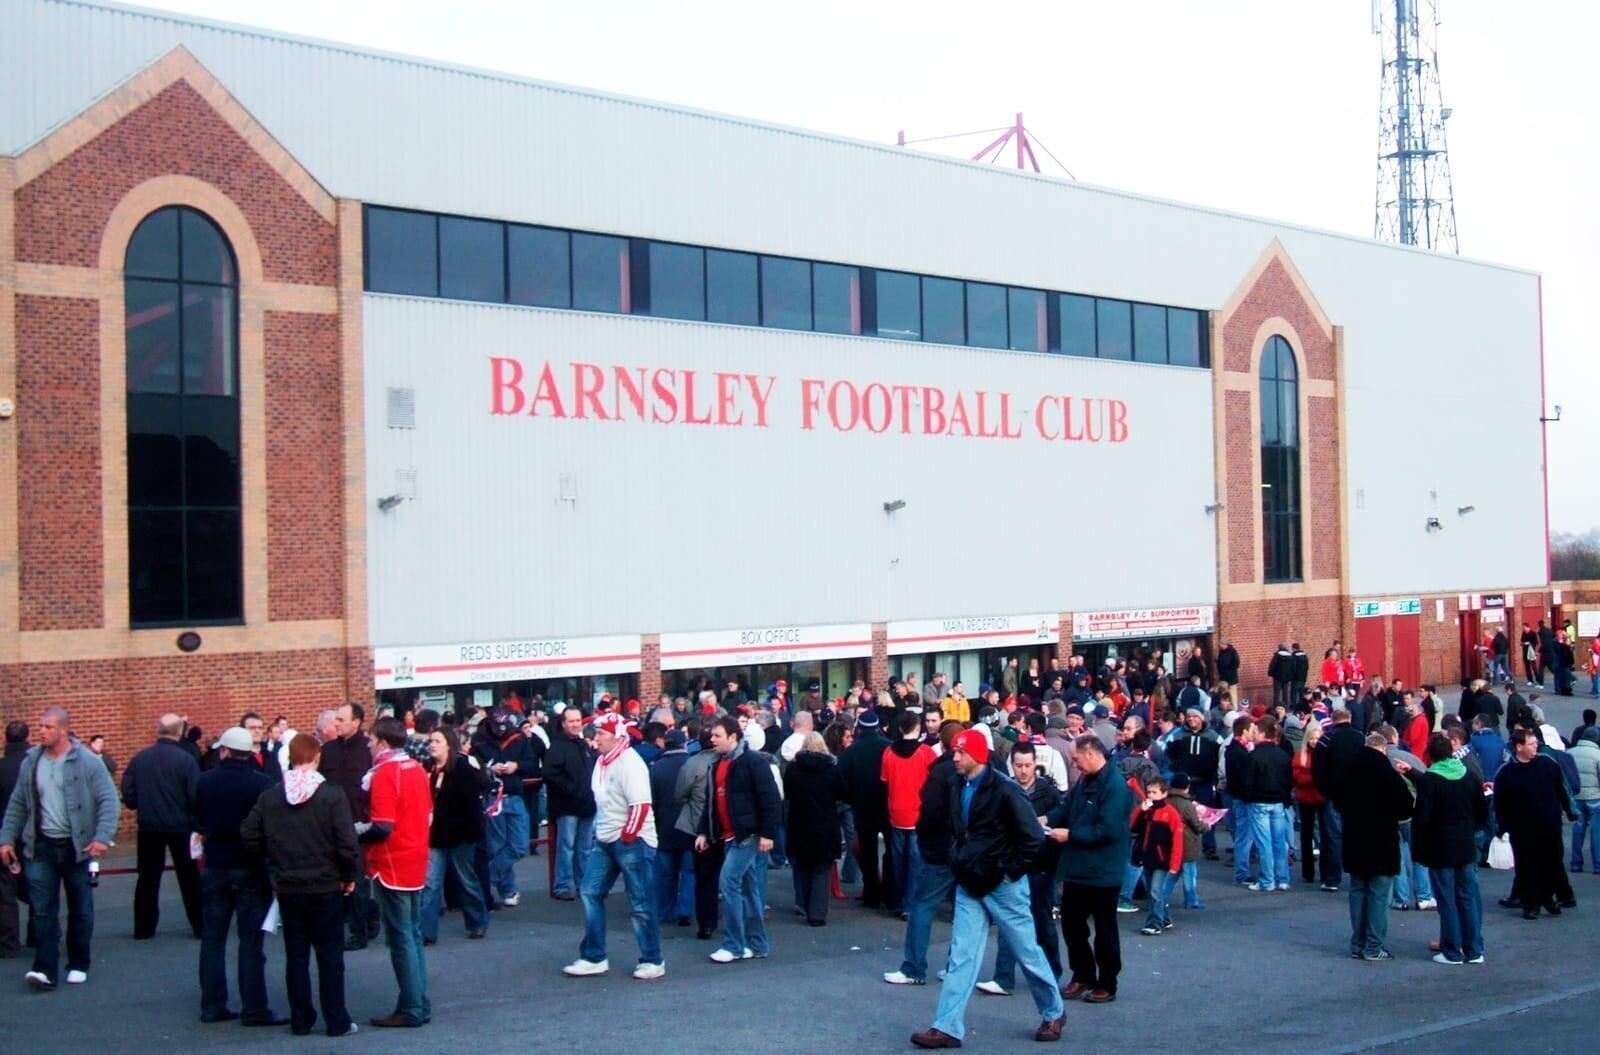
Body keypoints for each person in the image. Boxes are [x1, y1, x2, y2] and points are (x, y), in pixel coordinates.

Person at [910, 730, 1066, 1048]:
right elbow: (959, 828)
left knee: (1027, 952)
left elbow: (1033, 838)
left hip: (1003, 885)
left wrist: (1009, 872)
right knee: (962, 956)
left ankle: (1053, 1011)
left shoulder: (1006, 791)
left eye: (960, 753)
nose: (954, 757)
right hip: (970, 880)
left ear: (977, 756)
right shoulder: (958, 784)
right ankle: (947, 1026)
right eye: (955, 751)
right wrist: (958, 856)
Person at [240, 734, 359, 1037]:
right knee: (330, 956)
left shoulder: (272, 795)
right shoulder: (332, 795)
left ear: (290, 757)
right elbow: (346, 844)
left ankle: (301, 1019)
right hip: (326, 884)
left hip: (289, 885)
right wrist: (348, 876)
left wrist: (271, 862)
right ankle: (336, 1020)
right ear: (317, 757)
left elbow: (249, 833)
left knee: (296, 957)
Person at [0, 707, 119, 990]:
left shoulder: (88, 762)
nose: (42, 731)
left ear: (64, 730)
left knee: (81, 908)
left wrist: (102, 836)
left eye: (49, 727)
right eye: (40, 726)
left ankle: (78, 962)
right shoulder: (31, 762)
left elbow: (109, 800)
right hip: (41, 846)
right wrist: (6, 838)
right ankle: (44, 969)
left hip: (77, 847)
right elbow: (18, 803)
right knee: (42, 909)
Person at [564, 713, 663, 980]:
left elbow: (640, 805)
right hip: (607, 839)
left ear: (618, 737)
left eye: (600, 734)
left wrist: (628, 836)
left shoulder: (630, 763)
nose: (595, 738)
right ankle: (594, 956)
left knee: (640, 902)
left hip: (631, 840)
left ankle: (652, 959)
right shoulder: (602, 761)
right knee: (589, 892)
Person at [194, 727, 282, 1025]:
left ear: (225, 751)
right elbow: (270, 828)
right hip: (250, 867)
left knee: (213, 939)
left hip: (216, 864)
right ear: (251, 753)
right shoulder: (262, 784)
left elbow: (196, 818)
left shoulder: (205, 782)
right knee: (250, 942)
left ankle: (212, 1004)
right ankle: (254, 1008)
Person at [1046, 734, 1134, 1003]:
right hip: (1078, 869)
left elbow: (1107, 830)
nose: (1075, 765)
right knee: (1072, 925)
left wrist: (1070, 835)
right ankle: (1082, 974)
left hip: (1104, 871)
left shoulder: (1115, 787)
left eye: (1076, 759)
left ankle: (1107, 982)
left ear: (1092, 753)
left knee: (1105, 930)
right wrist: (1044, 819)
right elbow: (1065, 808)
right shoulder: (1085, 782)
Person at [359, 717, 433, 1028]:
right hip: (415, 857)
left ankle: (412, 1007)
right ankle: (417, 1002)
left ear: (384, 742)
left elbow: (382, 825)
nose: (369, 744)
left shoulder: (385, 773)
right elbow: (428, 814)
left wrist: (355, 834)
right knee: (412, 936)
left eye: (372, 740)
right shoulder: (415, 768)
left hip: (392, 862)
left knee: (402, 937)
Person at [978, 740, 1063, 994]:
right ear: (1011, 765)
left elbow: (1060, 818)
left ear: (1035, 764)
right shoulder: (1005, 789)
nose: (1024, 770)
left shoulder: (1049, 793)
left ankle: (1052, 974)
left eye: (1028, 765)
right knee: (1008, 922)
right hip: (1013, 865)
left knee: (1043, 920)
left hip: (1041, 865)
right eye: (1019, 765)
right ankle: (1004, 978)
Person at [697, 717, 780, 963]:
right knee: (747, 889)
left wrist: (767, 833)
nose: (712, 739)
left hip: (747, 834)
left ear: (733, 737)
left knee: (729, 882)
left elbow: (770, 798)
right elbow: (712, 801)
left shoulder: (753, 762)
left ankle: (734, 944)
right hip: (730, 835)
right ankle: (757, 944)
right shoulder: (717, 763)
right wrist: (704, 831)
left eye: (717, 736)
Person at [885, 722, 960, 986]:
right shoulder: (984, 772)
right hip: (968, 851)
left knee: (922, 905)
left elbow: (928, 811)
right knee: (965, 910)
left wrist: (929, 842)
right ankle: (955, 967)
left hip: (940, 849)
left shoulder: (939, 772)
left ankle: (914, 967)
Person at [1404, 732, 1488, 964]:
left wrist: (1419, 850)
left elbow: (1422, 819)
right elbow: (1481, 809)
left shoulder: (1431, 780)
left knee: (1447, 900)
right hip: (1464, 844)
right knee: (1467, 897)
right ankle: (1474, 949)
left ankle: (1452, 950)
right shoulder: (1468, 776)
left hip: (1440, 847)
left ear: (1431, 755)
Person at [121, 712, 203, 939]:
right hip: (180, 825)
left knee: (147, 878)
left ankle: (144, 928)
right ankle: (200, 924)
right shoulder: (186, 761)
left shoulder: (140, 759)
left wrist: (140, 803)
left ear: (158, 730)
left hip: (149, 826)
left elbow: (128, 794)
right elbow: (195, 794)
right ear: (180, 732)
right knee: (189, 878)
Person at [1338, 733, 1415, 960]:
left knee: (1358, 892)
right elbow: (1406, 808)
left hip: (1354, 838)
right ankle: (1373, 945)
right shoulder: (1388, 775)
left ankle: (1357, 943)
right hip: (1381, 841)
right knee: (1379, 896)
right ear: (1383, 750)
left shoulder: (1348, 771)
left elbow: (1337, 800)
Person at [1495, 727, 1576, 919]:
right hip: (1522, 830)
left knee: (1552, 862)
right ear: (1519, 747)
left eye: (1535, 743)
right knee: (1527, 867)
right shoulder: (1507, 772)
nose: (1535, 747)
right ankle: (1531, 905)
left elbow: (1562, 789)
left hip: (1550, 825)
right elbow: (1500, 803)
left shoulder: (1547, 764)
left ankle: (1548, 898)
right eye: (1531, 744)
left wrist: (1570, 810)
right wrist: (1502, 826)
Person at [420, 727, 489, 944]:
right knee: (431, 884)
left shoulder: (462, 769)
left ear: (449, 745)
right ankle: (427, 932)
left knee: (466, 880)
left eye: (437, 741)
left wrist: (475, 832)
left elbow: (472, 804)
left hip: (460, 835)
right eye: (431, 741)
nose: (432, 745)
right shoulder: (428, 768)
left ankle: (477, 922)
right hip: (434, 836)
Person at [319, 703, 374, 951]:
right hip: (332, 825)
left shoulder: (368, 750)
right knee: (340, 878)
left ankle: (358, 931)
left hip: (359, 824)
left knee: (358, 879)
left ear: (357, 722)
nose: (336, 724)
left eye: (341, 719)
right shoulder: (327, 751)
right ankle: (368, 914)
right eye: (336, 720)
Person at [472, 707, 536, 909]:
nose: (501, 731)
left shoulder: (520, 738)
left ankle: (487, 876)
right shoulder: (479, 740)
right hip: (492, 796)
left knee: (519, 845)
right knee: (496, 846)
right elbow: (473, 765)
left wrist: (516, 766)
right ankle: (508, 889)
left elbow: (532, 761)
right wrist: (489, 769)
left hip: (514, 794)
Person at [783, 731, 847, 926]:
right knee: (822, 869)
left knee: (803, 866)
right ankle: (817, 913)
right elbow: (842, 792)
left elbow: (788, 792)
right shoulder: (831, 769)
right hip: (825, 822)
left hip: (800, 822)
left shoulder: (794, 769)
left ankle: (804, 903)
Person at [882, 710, 936, 918]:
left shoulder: (888, 752)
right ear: (918, 728)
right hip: (918, 813)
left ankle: (896, 901)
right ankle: (910, 904)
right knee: (916, 862)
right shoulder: (926, 753)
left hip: (895, 812)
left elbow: (884, 783)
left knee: (897, 860)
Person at [839, 710, 894, 911]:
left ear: (859, 728)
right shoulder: (888, 747)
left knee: (868, 851)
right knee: (890, 850)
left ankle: (871, 893)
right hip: (887, 805)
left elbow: (842, 783)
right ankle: (890, 891)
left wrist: (851, 799)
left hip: (862, 806)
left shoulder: (850, 752)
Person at [674, 716, 721, 938]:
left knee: (704, 877)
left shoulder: (691, 764)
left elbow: (680, 794)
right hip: (723, 826)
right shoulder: (725, 761)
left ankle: (706, 924)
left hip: (696, 826)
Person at [544, 705, 597, 901]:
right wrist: (573, 791)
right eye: (571, 721)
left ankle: (583, 884)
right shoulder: (557, 746)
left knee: (583, 848)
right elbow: (551, 774)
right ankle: (563, 886)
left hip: (586, 805)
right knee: (566, 848)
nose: (576, 724)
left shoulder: (583, 745)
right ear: (564, 723)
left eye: (578, 720)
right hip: (567, 806)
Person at [649, 729, 695, 927]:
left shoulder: (655, 768)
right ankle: (685, 909)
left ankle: (665, 911)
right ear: (684, 744)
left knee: (666, 874)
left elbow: (651, 801)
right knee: (689, 871)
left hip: (664, 828)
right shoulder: (693, 765)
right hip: (689, 827)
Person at [0, 721, 29, 960]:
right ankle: (40, 935)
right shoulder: (36, 767)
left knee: (5, 892)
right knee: (41, 887)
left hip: (4, 837)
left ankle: (9, 943)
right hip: (34, 836)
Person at [1165, 773, 1211, 908]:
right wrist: (1207, 826)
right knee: (1190, 875)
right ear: (1187, 787)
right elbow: (1196, 825)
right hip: (1187, 844)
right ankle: (1191, 900)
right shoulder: (1187, 804)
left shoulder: (1167, 801)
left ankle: (1162, 898)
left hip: (1171, 842)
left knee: (1172, 874)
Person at [1569, 729, 1600, 872]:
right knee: (1596, 831)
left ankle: (1576, 863)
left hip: (1576, 797)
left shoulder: (1570, 753)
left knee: (1578, 830)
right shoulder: (1597, 755)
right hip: (1594, 797)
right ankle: (1597, 864)